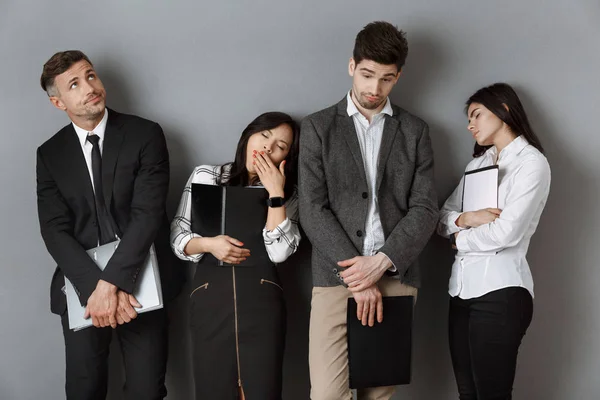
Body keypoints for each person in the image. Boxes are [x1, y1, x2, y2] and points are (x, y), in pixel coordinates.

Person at [299, 21, 439, 400]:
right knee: (328, 394)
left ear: (399, 77)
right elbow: (312, 208)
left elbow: (425, 207)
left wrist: (381, 263)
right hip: (333, 277)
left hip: (395, 276)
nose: (374, 89)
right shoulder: (317, 128)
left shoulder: (415, 131)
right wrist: (358, 275)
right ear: (351, 66)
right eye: (367, 74)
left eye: (387, 79)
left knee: (379, 395)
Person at [36, 50, 184, 399]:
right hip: (82, 288)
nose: (89, 86)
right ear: (59, 103)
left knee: (147, 391)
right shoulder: (49, 154)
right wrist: (95, 290)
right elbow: (54, 229)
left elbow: (147, 214)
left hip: (143, 278)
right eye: (74, 84)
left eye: (90, 75)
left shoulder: (145, 134)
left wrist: (113, 284)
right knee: (83, 390)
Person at [170, 111, 301, 399]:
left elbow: (279, 252)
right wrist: (208, 245)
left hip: (261, 304)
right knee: (213, 388)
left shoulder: (289, 195)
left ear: (286, 158)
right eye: (265, 135)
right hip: (210, 300)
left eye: (280, 145)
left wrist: (274, 193)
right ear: (248, 136)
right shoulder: (206, 175)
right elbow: (178, 237)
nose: (268, 147)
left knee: (261, 390)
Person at [438, 82, 551, 399]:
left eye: (476, 115)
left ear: (503, 110)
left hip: (502, 292)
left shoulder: (531, 164)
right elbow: (441, 216)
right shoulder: (477, 165)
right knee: (467, 392)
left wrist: (459, 241)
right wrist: (466, 219)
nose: (469, 124)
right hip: (461, 292)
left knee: (492, 394)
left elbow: (507, 233)